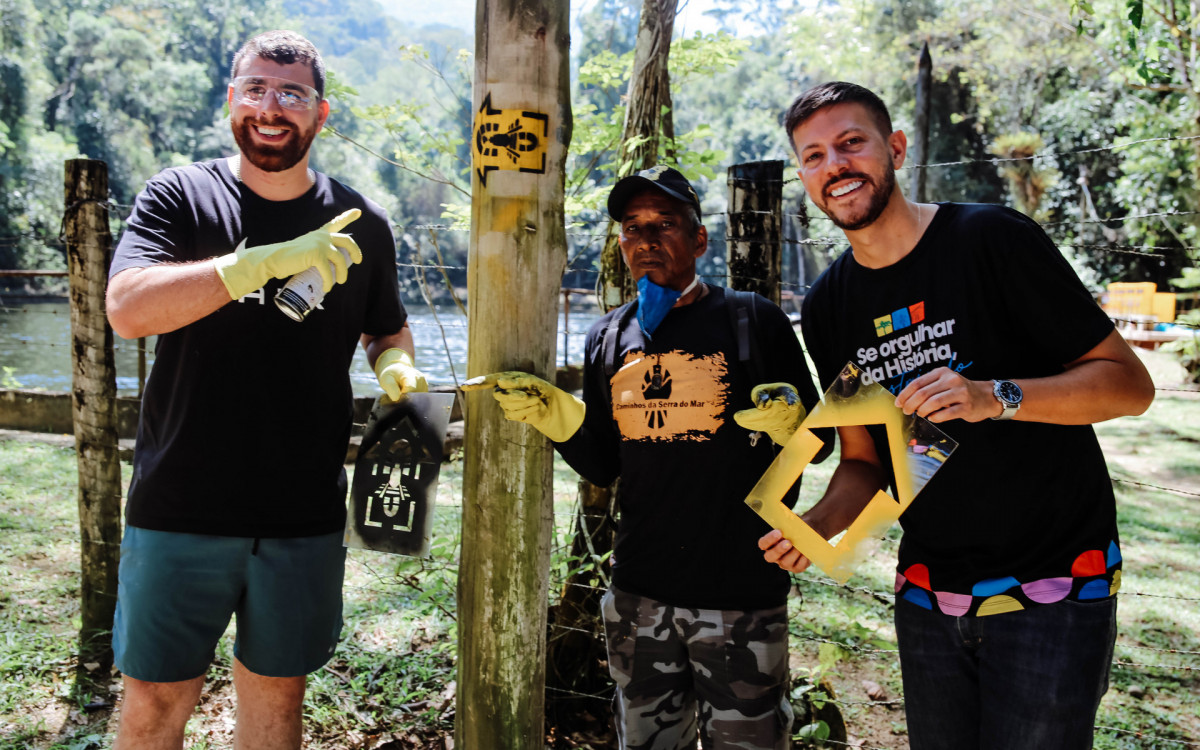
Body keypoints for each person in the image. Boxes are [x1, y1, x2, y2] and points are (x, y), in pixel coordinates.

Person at [758, 81, 1155, 749]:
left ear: (897, 148)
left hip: (1054, 591)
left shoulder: (990, 240)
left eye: (851, 143)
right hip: (928, 598)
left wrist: (991, 396)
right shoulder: (829, 304)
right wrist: (815, 528)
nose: (835, 167)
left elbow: (1129, 386)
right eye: (814, 155)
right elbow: (863, 460)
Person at [105, 30, 426, 750]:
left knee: (279, 703)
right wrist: (254, 266)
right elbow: (127, 310)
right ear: (231, 99)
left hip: (301, 514)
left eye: (292, 93)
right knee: (155, 704)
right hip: (179, 506)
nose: (270, 107)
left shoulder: (362, 223)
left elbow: (386, 329)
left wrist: (395, 369)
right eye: (255, 88)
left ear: (322, 112)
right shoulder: (179, 197)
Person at [464, 165, 828, 750]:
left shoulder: (751, 320)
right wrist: (553, 415)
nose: (646, 239)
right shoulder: (609, 336)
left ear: (699, 239)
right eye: (632, 228)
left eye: (665, 224)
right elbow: (604, 463)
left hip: (740, 595)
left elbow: (820, 441)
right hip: (639, 595)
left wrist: (792, 422)